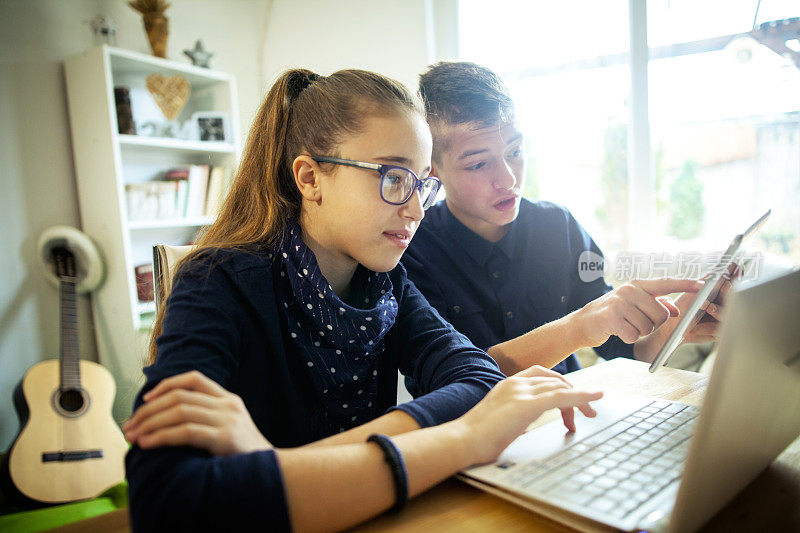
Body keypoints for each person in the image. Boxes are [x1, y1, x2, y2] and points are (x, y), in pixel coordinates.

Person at [123, 68, 604, 532]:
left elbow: (478, 378)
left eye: (422, 183)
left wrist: (279, 466)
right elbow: (167, 503)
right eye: (394, 178)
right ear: (310, 178)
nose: (416, 209)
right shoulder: (216, 282)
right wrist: (463, 440)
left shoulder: (385, 282)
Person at [402, 61, 724, 378]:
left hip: (574, 420)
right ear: (433, 171)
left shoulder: (559, 226)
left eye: (514, 151)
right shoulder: (412, 249)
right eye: (478, 165)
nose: (508, 179)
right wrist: (580, 326)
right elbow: (455, 381)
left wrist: (676, 323)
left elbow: (622, 351)